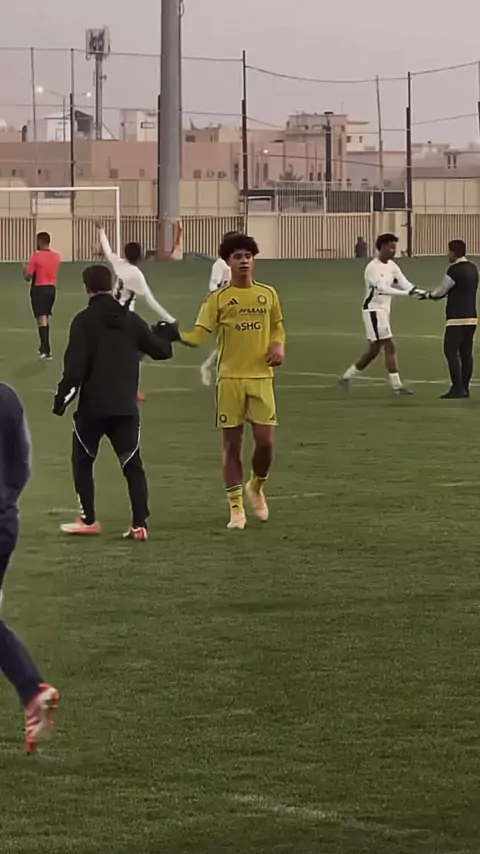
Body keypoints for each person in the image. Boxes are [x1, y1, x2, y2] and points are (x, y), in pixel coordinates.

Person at [53, 264, 176, 541]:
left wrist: (61, 400)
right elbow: (161, 351)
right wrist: (166, 333)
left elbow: (74, 370)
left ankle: (88, 520)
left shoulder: (82, 321)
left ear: (86, 287)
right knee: (132, 464)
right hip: (125, 408)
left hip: (93, 408)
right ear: (111, 285)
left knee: (83, 461)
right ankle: (139, 525)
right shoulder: (132, 320)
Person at [180, 233, 285, 530]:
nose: (244, 262)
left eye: (248, 256)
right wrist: (176, 336)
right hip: (230, 379)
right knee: (232, 444)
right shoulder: (217, 300)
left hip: (261, 377)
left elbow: (277, 326)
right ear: (228, 262)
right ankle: (236, 508)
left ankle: (256, 486)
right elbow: (197, 335)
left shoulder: (268, 294)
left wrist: (278, 345)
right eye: (237, 257)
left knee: (265, 442)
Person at [0, 382, 59, 754]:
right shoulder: (6, 397)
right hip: (4, 523)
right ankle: (32, 690)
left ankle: (32, 688)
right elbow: (22, 462)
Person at [97, 224, 176, 402]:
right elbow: (149, 300)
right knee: (137, 351)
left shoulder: (119, 264)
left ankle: (120, 388)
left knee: (126, 354)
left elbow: (108, 251)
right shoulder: (136, 274)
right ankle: (128, 391)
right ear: (140, 257)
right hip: (124, 318)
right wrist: (170, 319)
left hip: (111, 312)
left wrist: (102, 231)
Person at [340, 233, 426, 395]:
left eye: (395, 247)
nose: (393, 251)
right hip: (373, 310)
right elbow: (383, 289)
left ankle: (346, 376)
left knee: (373, 351)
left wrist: (422, 293)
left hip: (384, 311)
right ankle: (397, 386)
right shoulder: (373, 268)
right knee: (389, 346)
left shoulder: (392, 266)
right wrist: (408, 294)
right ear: (382, 247)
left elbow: (405, 283)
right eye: (391, 247)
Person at [423, 239, 479, 399]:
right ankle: (465, 388)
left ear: (454, 252)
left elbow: (441, 291)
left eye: (449, 252)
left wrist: (428, 295)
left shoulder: (454, 270)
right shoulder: (473, 268)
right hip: (472, 317)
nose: (447, 255)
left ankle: (457, 387)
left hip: (456, 318)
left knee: (451, 351)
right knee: (466, 353)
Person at [199, 231, 237, 387]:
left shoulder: (235, 262)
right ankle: (208, 367)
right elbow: (213, 285)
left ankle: (209, 366)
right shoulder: (220, 265)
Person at [24, 232, 60, 360]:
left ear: (40, 241)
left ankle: (46, 350)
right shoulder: (56, 256)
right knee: (45, 317)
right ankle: (42, 347)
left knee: (41, 319)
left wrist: (25, 270)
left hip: (39, 289)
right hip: (51, 288)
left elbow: (28, 276)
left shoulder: (36, 256)